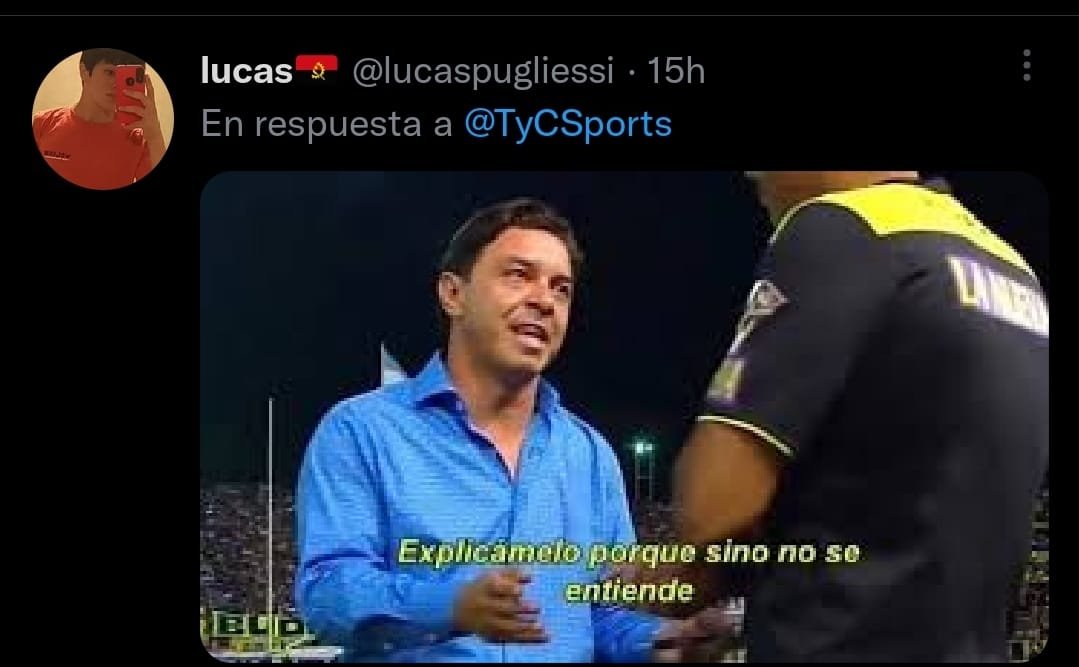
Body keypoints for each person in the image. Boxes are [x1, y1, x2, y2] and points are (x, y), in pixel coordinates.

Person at [294, 197, 725, 662]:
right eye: (519, 275)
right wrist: (451, 606)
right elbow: (326, 591)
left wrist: (661, 643)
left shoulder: (589, 454)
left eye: (561, 289)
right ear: (453, 294)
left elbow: (599, 612)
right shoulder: (361, 432)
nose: (544, 300)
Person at [651, 172, 1050, 661]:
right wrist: (749, 613)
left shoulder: (845, 227)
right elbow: (906, 520)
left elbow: (712, 507)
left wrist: (624, 583)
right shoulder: (1015, 272)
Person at [33, 48, 166, 190]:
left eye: (125, 78)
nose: (117, 84)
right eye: (110, 73)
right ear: (84, 71)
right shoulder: (44, 123)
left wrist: (155, 136)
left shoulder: (139, 138)